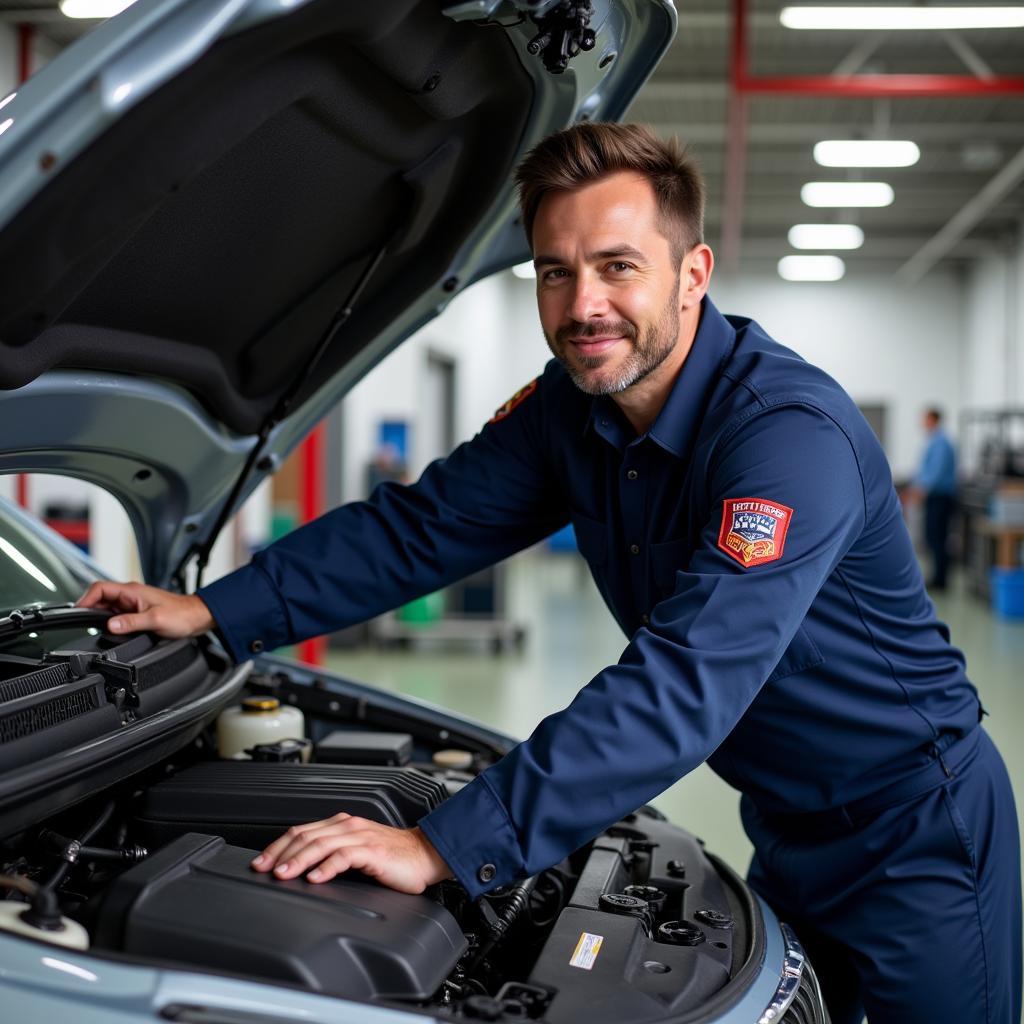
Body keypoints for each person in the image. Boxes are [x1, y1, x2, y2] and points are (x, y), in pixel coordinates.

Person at [78, 124, 1020, 1024]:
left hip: (920, 829)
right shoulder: (569, 411)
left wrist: (446, 845)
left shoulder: (785, 438)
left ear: (692, 275)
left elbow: (687, 679)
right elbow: (423, 527)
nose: (582, 307)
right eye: (555, 273)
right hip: (787, 820)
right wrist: (211, 609)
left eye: (618, 266)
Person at [913, 407, 957, 590]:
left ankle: (940, 580)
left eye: (925, 418)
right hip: (935, 496)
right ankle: (938, 577)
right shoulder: (934, 440)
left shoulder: (940, 442)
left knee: (937, 537)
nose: (922, 422)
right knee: (933, 537)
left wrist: (921, 490)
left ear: (933, 419)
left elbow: (936, 472)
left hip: (940, 497)